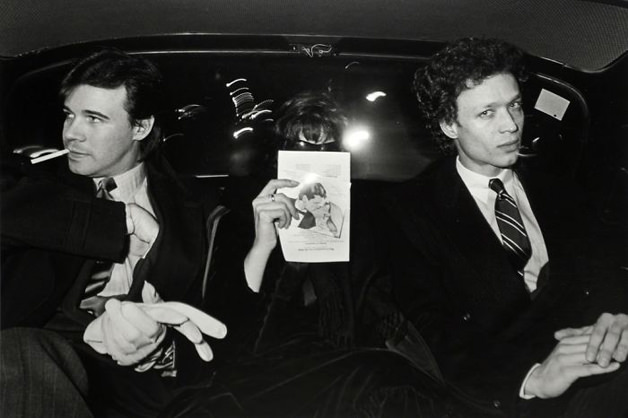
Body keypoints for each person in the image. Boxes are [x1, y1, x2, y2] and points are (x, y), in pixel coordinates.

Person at [163, 91, 463, 417]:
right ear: (279, 156)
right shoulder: (245, 217)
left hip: (349, 366)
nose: (317, 160)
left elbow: (385, 304)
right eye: (303, 149)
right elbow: (228, 327)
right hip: (268, 372)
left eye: (328, 150)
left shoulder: (365, 217)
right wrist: (263, 245)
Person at [382, 37, 628, 417]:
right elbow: (431, 332)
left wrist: (617, 318)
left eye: (514, 105)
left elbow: (603, 274)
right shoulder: (412, 210)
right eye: (487, 113)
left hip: (596, 378)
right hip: (498, 395)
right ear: (449, 124)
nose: (511, 125)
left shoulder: (562, 191)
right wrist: (530, 379)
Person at [0, 49, 225, 417]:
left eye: (94, 118)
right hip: (35, 365)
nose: (71, 134)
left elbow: (217, 322)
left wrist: (163, 350)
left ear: (141, 127)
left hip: (142, 390)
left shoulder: (197, 205)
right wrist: (119, 221)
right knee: (19, 351)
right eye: (69, 115)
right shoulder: (35, 187)